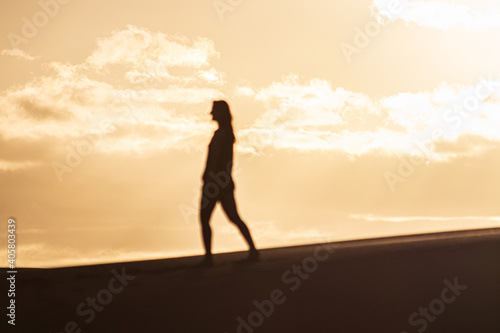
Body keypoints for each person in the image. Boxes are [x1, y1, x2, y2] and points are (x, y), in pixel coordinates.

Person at [199, 100, 259, 265]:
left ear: (221, 113)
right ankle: (253, 250)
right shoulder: (224, 133)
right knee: (232, 217)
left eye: (214, 110)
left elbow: (218, 161)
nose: (211, 113)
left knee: (206, 218)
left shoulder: (222, 135)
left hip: (216, 183)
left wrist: (210, 179)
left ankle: (209, 258)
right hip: (222, 183)